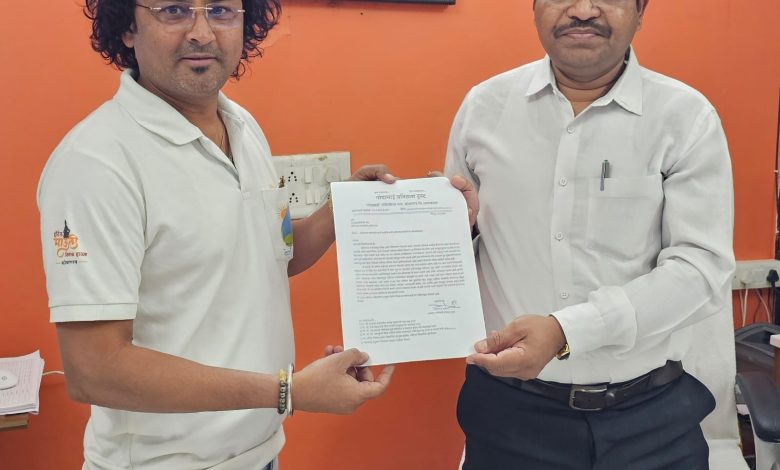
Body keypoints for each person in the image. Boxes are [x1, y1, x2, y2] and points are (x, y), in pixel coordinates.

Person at [37, 1, 399, 469]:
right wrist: (288, 391)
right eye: (174, 10)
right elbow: (95, 370)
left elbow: (271, 254)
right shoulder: (97, 161)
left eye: (222, 11)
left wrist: (340, 209)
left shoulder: (242, 127)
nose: (202, 33)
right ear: (127, 27)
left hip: (259, 454)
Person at [444, 0, 735, 468]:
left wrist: (567, 331)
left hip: (650, 420)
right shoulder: (484, 106)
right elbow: (460, 244)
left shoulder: (685, 116)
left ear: (641, 11)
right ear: (534, 8)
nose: (582, 10)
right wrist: (450, 227)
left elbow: (701, 269)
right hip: (510, 415)